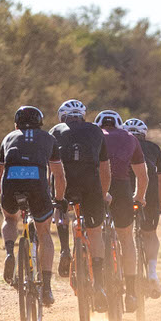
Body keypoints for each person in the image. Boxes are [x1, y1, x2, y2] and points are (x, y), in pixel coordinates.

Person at [0, 105, 57, 306]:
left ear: (16, 123)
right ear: (40, 123)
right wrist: (61, 198)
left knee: (9, 219)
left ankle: (8, 253)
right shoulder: (49, 138)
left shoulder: (8, 138)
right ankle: (46, 287)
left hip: (11, 185)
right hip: (37, 186)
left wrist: (5, 200)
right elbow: (58, 174)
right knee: (44, 233)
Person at [48, 99, 112, 281]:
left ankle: (64, 249)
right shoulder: (95, 131)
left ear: (63, 116)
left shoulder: (55, 131)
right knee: (95, 232)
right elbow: (105, 169)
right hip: (90, 184)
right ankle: (99, 281)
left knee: (61, 208)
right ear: (83, 116)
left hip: (65, 183)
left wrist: (54, 195)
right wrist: (103, 194)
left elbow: (51, 169)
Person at [95, 109, 148, 269]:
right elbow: (142, 176)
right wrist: (139, 197)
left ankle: (93, 276)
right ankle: (131, 290)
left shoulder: (94, 135)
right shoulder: (130, 138)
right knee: (126, 238)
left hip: (97, 186)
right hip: (122, 187)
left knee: (93, 231)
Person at [126, 117, 161, 297]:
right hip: (149, 193)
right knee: (150, 234)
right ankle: (151, 271)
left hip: (126, 192)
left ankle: (122, 272)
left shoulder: (121, 144)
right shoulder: (154, 148)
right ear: (144, 134)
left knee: (124, 233)